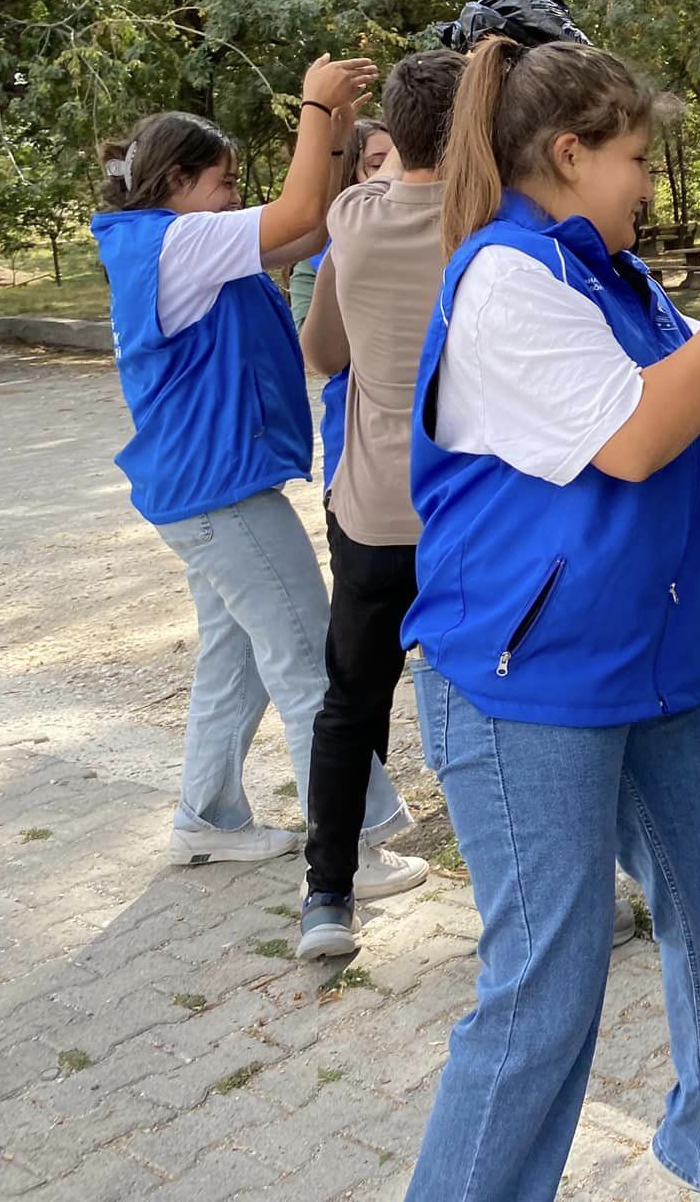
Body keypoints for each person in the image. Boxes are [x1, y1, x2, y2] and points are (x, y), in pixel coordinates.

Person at [402, 35, 700, 1202]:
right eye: (639, 159)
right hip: (524, 686)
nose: (651, 183)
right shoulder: (507, 278)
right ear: (568, 152)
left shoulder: (606, 269)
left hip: (638, 673)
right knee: (544, 997)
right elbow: (638, 435)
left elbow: (695, 396)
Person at [90, 58, 413, 870]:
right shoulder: (178, 242)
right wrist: (315, 104)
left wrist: (338, 139)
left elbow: (310, 229)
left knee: (234, 657)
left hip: (199, 490)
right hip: (221, 497)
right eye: (224, 181)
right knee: (310, 660)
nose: (236, 196)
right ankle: (355, 846)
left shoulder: (168, 242)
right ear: (174, 181)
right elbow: (301, 210)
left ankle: (207, 817)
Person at [293, 57, 464, 957]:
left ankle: (327, 897)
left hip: (370, 508)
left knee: (351, 699)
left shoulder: (353, 219)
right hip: (470, 513)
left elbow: (324, 350)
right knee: (481, 702)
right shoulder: (490, 227)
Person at [292, 119, 394, 497]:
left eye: (399, 161)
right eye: (376, 164)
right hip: (356, 456)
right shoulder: (315, 257)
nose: (391, 176)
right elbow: (320, 359)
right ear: (349, 176)